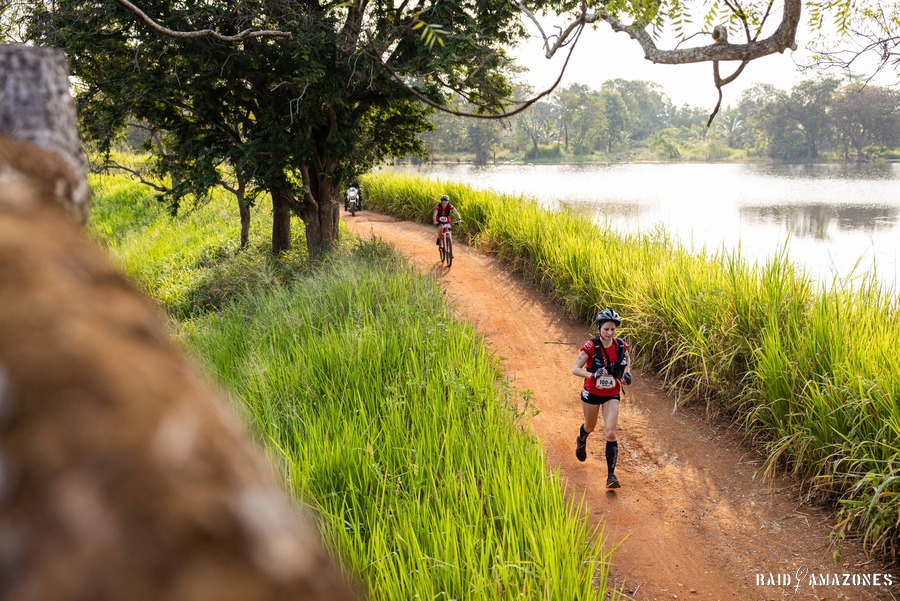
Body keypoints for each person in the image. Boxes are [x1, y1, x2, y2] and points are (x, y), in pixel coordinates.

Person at [571, 308, 632, 488]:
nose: (609, 333)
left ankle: (611, 476)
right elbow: (575, 369)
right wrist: (593, 374)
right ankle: (582, 439)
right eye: (606, 329)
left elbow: (627, 361)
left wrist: (627, 374)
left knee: (611, 433)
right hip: (592, 393)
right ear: (599, 328)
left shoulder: (620, 345)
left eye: (613, 329)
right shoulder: (591, 346)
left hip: (611, 393)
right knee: (590, 426)